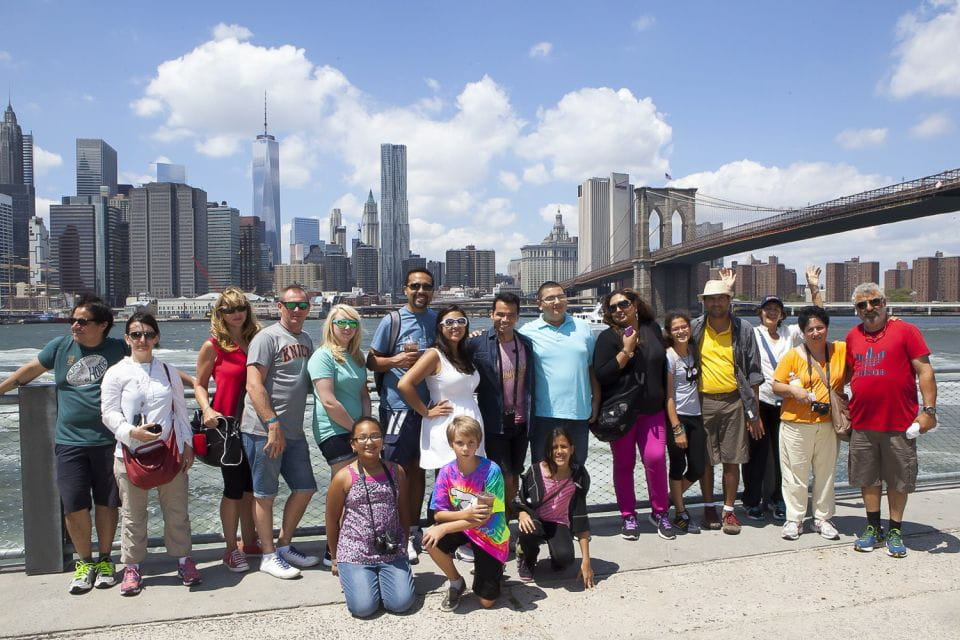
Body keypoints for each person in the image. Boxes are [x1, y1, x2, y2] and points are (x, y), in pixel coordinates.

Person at [0, 294, 125, 594]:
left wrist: (195, 386)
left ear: (103, 325)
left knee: (108, 503)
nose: (75, 326)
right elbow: (28, 372)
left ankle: (106, 560)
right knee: (73, 504)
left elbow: (151, 370)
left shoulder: (119, 349)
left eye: (83, 321)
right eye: (73, 320)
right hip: (70, 441)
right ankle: (85, 563)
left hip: (109, 440)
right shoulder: (59, 347)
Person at [100, 313, 199, 595]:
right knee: (132, 515)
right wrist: (131, 433)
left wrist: (187, 444)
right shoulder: (116, 372)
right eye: (135, 334)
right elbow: (108, 413)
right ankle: (132, 567)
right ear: (127, 339)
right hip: (129, 454)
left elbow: (180, 411)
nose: (142, 340)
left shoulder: (168, 371)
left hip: (168, 451)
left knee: (177, 512)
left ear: (156, 338)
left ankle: (183, 560)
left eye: (147, 334)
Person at [846, 283, 937, 558]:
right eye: (862, 305)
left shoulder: (906, 331)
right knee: (868, 479)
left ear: (884, 302)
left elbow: (924, 371)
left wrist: (929, 411)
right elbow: (849, 372)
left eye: (874, 302)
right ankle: (873, 527)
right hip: (862, 423)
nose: (869, 309)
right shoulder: (852, 336)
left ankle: (895, 529)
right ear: (856, 311)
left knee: (898, 480)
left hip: (900, 423)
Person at [240, 285, 318, 579]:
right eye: (291, 305)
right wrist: (272, 424)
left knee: (306, 487)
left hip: (294, 431)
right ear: (279, 307)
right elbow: (253, 385)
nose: (297, 311)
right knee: (265, 494)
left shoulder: (306, 339)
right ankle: (268, 555)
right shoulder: (266, 338)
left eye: (302, 306)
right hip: (263, 431)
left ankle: (284, 545)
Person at [367, 268, 438, 563]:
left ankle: (413, 527)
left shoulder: (437, 320)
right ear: (405, 289)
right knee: (398, 473)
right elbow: (371, 360)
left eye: (426, 287)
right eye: (415, 286)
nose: (421, 291)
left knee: (420, 471)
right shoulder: (392, 320)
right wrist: (395, 360)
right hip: (397, 408)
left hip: (431, 408)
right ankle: (398, 533)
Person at [593, 288, 673, 541]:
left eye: (624, 304)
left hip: (652, 410)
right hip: (623, 415)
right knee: (624, 464)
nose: (618, 310)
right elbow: (602, 374)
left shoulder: (653, 330)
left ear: (635, 305)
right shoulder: (607, 338)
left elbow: (665, 364)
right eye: (613, 307)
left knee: (656, 458)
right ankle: (628, 515)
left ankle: (660, 512)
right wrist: (626, 351)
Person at [744, 266, 823, 522]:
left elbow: (817, 317)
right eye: (767, 308)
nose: (771, 312)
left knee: (784, 456)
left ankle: (780, 499)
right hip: (760, 403)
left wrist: (813, 286)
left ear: (781, 314)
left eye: (776, 309)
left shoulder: (791, 333)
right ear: (760, 313)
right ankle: (752, 500)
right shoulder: (751, 333)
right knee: (755, 455)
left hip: (788, 403)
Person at [193, 287, 261, 573]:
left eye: (240, 308)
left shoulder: (257, 340)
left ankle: (251, 541)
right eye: (229, 309)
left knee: (250, 487)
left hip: (256, 424)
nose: (236, 314)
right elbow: (199, 383)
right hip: (228, 427)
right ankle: (231, 549)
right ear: (219, 314)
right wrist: (207, 409)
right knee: (233, 488)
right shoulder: (213, 345)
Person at [691, 274, 764, 535]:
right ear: (705, 303)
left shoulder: (743, 329)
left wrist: (753, 412)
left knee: (733, 459)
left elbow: (754, 372)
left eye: (722, 298)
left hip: (734, 401)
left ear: (729, 301)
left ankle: (729, 511)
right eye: (711, 299)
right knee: (707, 459)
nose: (717, 303)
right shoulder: (695, 328)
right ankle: (709, 506)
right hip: (703, 401)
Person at [325, 417, 415, 618]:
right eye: (362, 437)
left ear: (382, 441)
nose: (369, 442)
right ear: (353, 444)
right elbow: (331, 520)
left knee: (401, 603)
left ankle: (383, 577)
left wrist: (402, 545)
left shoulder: (396, 471)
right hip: (355, 550)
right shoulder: (343, 477)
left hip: (390, 548)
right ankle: (356, 576)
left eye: (375, 436)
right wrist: (334, 558)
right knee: (363, 608)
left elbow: (404, 512)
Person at [771, 306, 845, 541]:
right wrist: (793, 390)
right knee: (795, 474)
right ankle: (795, 519)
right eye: (810, 329)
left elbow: (866, 345)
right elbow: (775, 385)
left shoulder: (839, 350)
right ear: (803, 332)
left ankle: (822, 518)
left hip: (827, 424)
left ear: (827, 328)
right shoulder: (793, 355)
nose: (815, 332)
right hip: (796, 424)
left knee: (825, 474)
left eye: (820, 327)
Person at [423, 416, 509, 612]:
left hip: (490, 536)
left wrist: (445, 527)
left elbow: (484, 518)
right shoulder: (446, 472)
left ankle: (495, 568)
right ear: (451, 444)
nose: (465, 448)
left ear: (478, 442)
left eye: (471, 443)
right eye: (459, 443)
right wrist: (467, 514)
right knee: (430, 539)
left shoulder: (491, 471)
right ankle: (456, 582)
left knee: (487, 602)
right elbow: (438, 515)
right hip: (465, 528)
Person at [308, 304, 371, 566]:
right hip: (333, 431)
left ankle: (352, 542)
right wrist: (356, 431)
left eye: (352, 323)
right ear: (330, 326)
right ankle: (332, 550)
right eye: (341, 323)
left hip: (357, 430)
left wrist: (366, 424)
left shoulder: (356, 357)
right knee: (345, 489)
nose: (347, 328)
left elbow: (364, 393)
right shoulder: (322, 357)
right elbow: (329, 401)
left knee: (356, 489)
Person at [466, 292, 535, 519]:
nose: (505, 320)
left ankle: (508, 519)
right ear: (491, 314)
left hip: (522, 420)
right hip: (494, 421)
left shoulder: (525, 344)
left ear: (517, 317)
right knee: (500, 474)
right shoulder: (477, 343)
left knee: (515, 472)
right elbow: (456, 363)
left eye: (511, 315)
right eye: (500, 314)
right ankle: (500, 522)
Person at [518, 281, 600, 466]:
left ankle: (576, 498)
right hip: (543, 415)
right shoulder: (527, 332)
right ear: (539, 304)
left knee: (576, 467)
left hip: (578, 412)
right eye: (550, 298)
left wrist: (596, 401)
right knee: (544, 469)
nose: (557, 301)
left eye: (561, 296)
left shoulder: (584, 328)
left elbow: (591, 368)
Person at [398, 304, 484, 471]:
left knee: (469, 479)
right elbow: (404, 384)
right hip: (447, 423)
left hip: (472, 421)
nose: (456, 326)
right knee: (448, 479)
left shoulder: (465, 354)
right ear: (440, 327)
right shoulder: (434, 354)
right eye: (449, 322)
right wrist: (426, 412)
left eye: (461, 321)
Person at [514, 427, 594, 589]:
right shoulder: (536, 471)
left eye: (563, 446)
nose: (559, 451)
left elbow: (581, 517)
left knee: (565, 559)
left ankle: (556, 553)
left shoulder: (578, 475)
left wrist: (586, 561)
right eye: (554, 447)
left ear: (572, 449)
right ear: (548, 451)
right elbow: (521, 500)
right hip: (536, 521)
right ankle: (527, 556)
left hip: (559, 523)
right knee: (527, 530)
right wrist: (522, 513)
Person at [663, 311, 707, 534]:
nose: (681, 331)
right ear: (669, 333)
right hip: (677, 418)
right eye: (675, 328)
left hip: (696, 416)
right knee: (678, 467)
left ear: (690, 329)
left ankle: (669, 499)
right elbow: (669, 395)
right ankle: (680, 513)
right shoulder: (669, 357)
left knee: (699, 466)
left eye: (684, 327)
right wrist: (676, 428)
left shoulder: (693, 352)